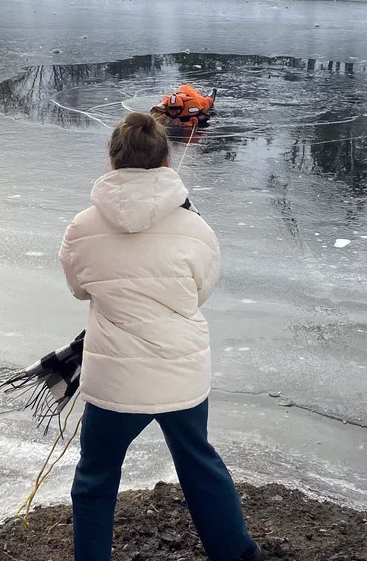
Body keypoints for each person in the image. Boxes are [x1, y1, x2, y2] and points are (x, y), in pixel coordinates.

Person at [60, 113, 263, 561]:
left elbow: (78, 289)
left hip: (114, 381)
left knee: (95, 477)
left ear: (112, 159)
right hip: (180, 372)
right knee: (199, 466)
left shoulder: (81, 227)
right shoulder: (197, 228)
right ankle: (237, 555)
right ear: (166, 158)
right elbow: (200, 293)